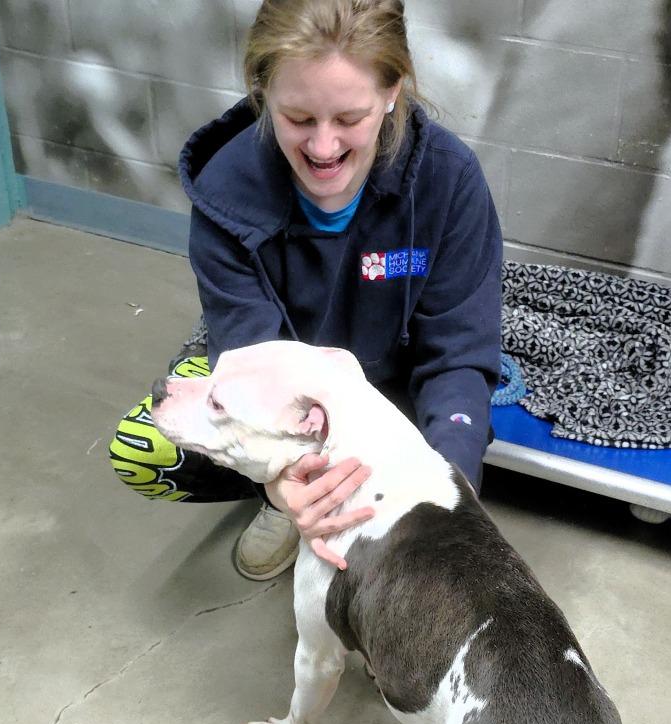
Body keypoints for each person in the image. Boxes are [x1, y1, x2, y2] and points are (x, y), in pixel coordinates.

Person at [110, 0, 502, 579]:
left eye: (349, 119)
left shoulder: (450, 180)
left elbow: (458, 357)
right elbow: (243, 353)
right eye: (298, 118)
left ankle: (348, 502)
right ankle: (285, 507)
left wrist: (447, 499)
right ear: (263, 92)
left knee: (452, 437)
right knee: (139, 449)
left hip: (391, 397)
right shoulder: (224, 189)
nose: (323, 148)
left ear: (394, 90)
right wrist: (282, 484)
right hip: (278, 406)